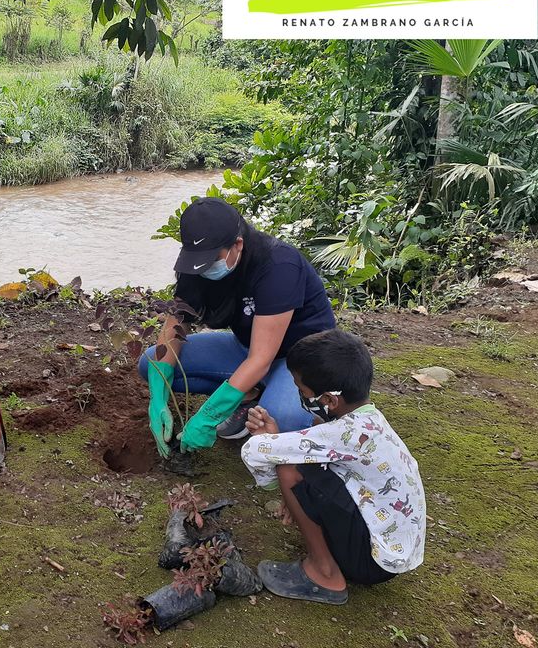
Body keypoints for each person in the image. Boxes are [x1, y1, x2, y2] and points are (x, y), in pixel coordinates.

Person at [138, 197, 335, 458]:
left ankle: (311, 410)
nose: (204, 268)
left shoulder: (278, 266)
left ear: (237, 245)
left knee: (281, 418)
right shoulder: (196, 264)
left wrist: (209, 414)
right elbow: (175, 324)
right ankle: (249, 395)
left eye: (212, 260)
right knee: (151, 364)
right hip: (248, 347)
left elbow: (261, 359)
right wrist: (158, 398)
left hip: (300, 359)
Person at [243, 329, 426, 605]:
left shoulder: (345, 433)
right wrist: (278, 441)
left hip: (372, 562)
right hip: (392, 552)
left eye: (302, 390)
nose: (299, 395)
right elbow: (317, 444)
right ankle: (330, 554)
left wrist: (268, 445)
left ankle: (324, 574)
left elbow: (254, 451)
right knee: (306, 460)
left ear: (329, 400)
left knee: (290, 469)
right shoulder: (368, 420)